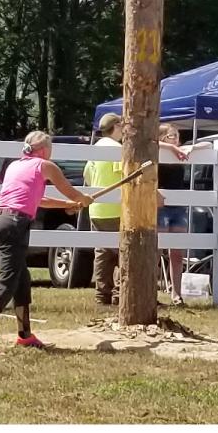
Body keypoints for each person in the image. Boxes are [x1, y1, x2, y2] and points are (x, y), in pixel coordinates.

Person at [0, 131, 93, 355]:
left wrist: (68, 204)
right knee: (7, 282)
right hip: (15, 224)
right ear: (45, 149)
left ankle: (25, 335)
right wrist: (81, 199)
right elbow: (67, 188)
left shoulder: (15, 166)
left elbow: (39, 199)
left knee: (21, 278)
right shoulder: (45, 165)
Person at [158, 123, 211, 306]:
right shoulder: (159, 151)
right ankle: (150, 291)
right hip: (160, 206)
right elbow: (151, 144)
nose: (176, 139)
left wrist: (191, 147)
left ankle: (176, 293)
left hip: (179, 207)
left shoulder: (181, 150)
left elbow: (208, 146)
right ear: (163, 138)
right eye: (172, 136)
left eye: (176, 136)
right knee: (155, 250)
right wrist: (171, 147)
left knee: (177, 252)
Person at [83, 113, 123, 305]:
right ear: (116, 126)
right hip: (115, 208)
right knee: (123, 253)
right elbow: (125, 175)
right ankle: (119, 292)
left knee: (102, 253)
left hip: (96, 208)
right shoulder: (117, 149)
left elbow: (87, 176)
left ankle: (102, 293)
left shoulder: (95, 149)